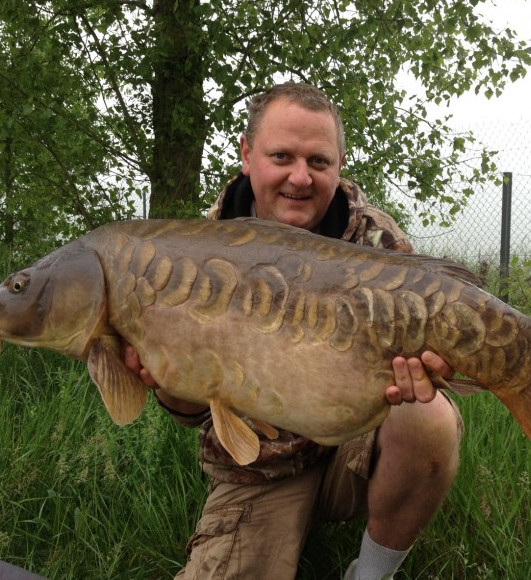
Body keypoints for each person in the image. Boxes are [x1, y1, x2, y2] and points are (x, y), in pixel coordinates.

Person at [123, 82, 463, 580]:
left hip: (358, 445)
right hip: (258, 467)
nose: (300, 178)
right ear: (247, 154)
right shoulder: (194, 253)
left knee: (428, 416)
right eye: (281, 156)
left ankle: (370, 575)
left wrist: (433, 372)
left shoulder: (377, 240)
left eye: (319, 162)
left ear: (339, 164)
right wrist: (169, 382)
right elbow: (191, 414)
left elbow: (432, 358)